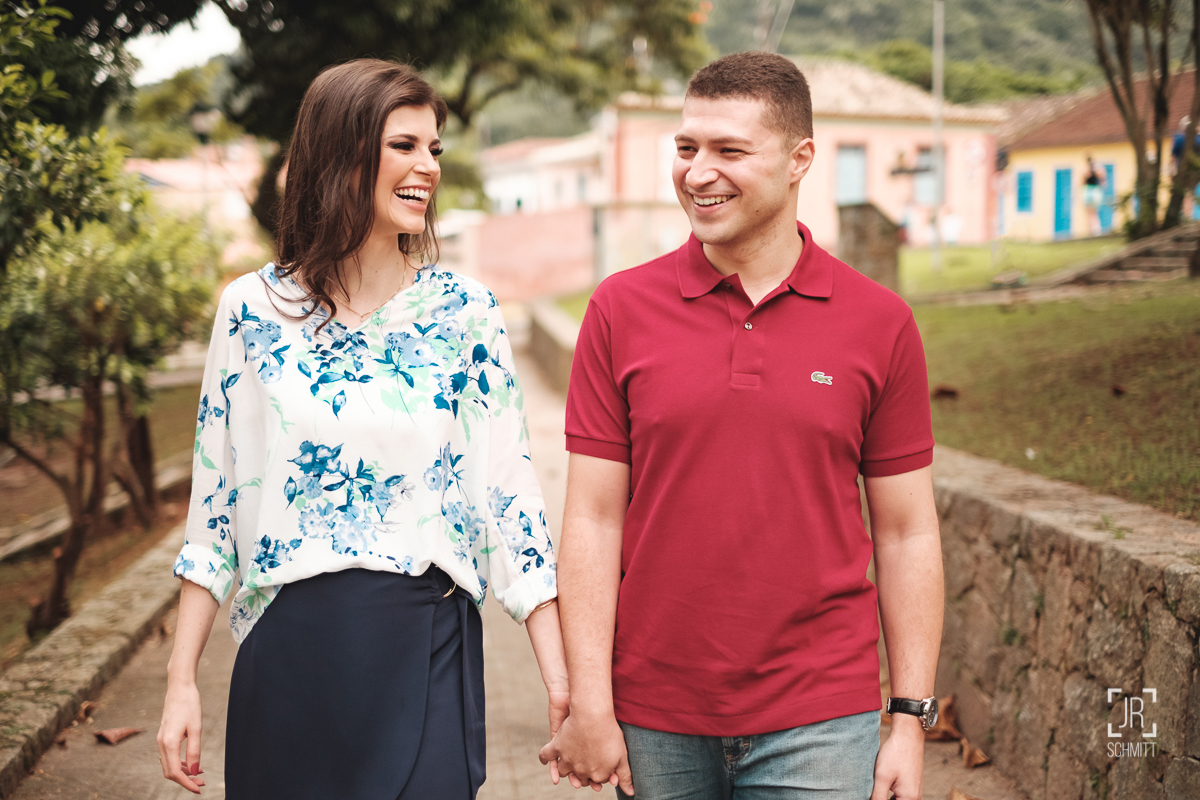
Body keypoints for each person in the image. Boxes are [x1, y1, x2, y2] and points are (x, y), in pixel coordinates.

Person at [157, 59, 566, 800]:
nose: (427, 166)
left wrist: (562, 680)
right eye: (403, 145)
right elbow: (213, 510)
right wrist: (181, 680)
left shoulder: (465, 313)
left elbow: (508, 498)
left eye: (433, 148)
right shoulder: (251, 311)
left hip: (427, 641)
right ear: (341, 153)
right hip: (291, 653)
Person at [541, 52, 943, 800]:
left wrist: (910, 721)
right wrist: (591, 702)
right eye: (686, 147)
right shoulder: (619, 310)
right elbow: (593, 519)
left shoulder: (880, 323)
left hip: (822, 716)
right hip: (653, 713)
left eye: (729, 150)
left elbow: (906, 532)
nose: (698, 173)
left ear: (800, 161)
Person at [1082, 155, 1106, 236]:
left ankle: (1095, 229)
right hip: (1093, 191)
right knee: (1093, 212)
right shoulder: (1095, 170)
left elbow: (1083, 183)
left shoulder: (1088, 171)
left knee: (1091, 212)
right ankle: (1094, 229)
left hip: (1090, 191)